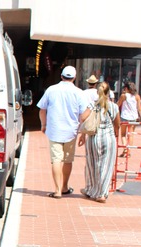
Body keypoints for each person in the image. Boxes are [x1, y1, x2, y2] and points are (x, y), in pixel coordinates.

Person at [37, 65, 91, 198]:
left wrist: (44, 124)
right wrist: (81, 128)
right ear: (74, 78)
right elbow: (86, 112)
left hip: (54, 129)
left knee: (56, 159)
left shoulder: (51, 90)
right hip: (71, 130)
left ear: (61, 76)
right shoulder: (79, 92)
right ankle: (65, 186)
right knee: (68, 160)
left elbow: (42, 109)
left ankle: (57, 190)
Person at [77, 82, 120, 204]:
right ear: (108, 93)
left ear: (98, 92)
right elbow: (117, 124)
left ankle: (91, 189)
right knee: (106, 165)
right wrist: (116, 134)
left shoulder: (93, 105)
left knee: (92, 164)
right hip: (109, 138)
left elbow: (83, 117)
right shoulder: (113, 106)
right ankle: (102, 193)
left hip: (93, 137)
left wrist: (83, 134)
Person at [117, 82, 141, 156]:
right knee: (131, 134)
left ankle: (125, 148)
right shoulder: (137, 96)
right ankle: (128, 151)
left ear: (126, 88)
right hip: (133, 117)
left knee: (123, 134)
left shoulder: (124, 96)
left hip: (124, 117)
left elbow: (117, 104)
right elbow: (139, 109)